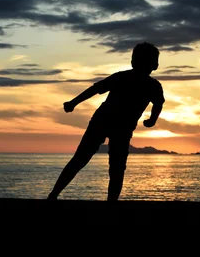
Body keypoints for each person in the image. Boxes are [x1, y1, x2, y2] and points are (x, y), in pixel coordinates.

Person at [47, 42, 165, 202]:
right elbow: (96, 89)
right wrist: (74, 102)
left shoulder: (143, 83)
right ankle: (56, 195)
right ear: (155, 65)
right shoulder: (141, 82)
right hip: (106, 122)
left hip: (115, 125)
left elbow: (95, 89)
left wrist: (73, 103)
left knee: (101, 163)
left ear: (133, 62)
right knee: (103, 164)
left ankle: (55, 195)